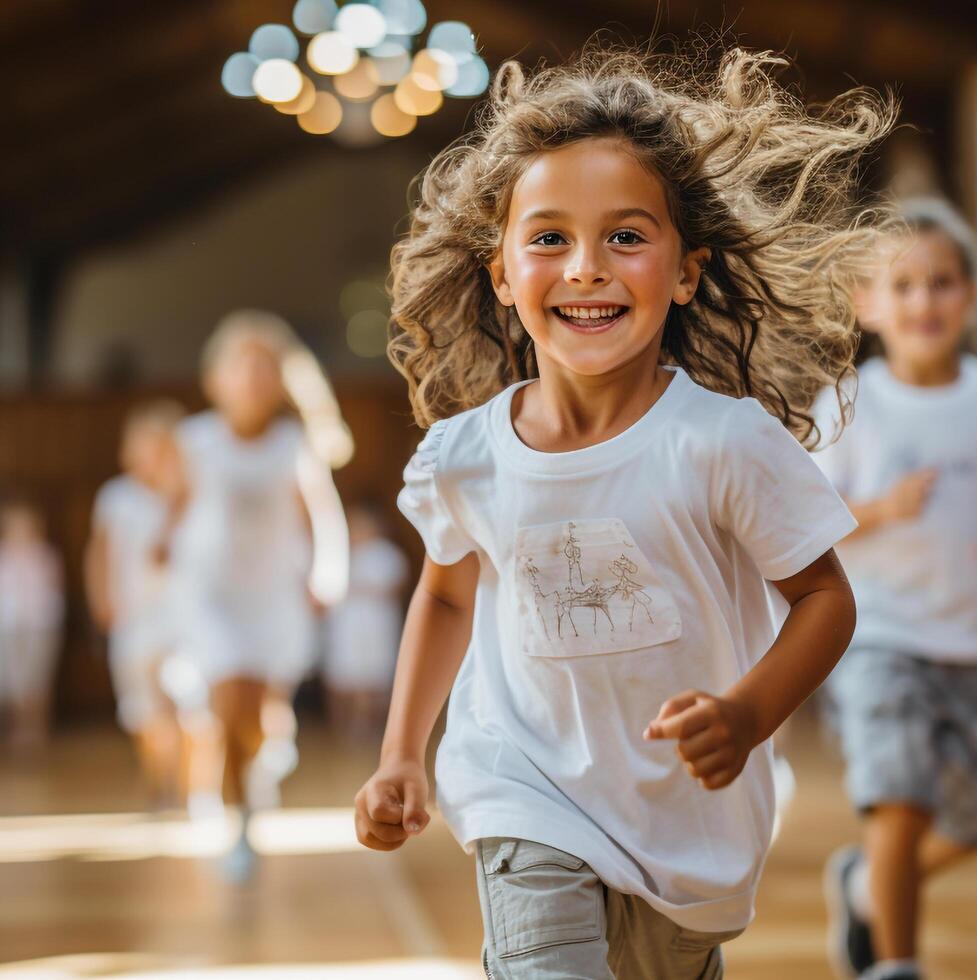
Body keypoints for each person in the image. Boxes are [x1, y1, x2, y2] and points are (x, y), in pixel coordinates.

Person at [354, 47, 884, 979]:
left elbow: (825, 599)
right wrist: (403, 752)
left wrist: (746, 712)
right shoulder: (466, 455)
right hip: (525, 787)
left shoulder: (722, 442)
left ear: (684, 271)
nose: (586, 269)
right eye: (548, 239)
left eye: (626, 238)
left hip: (684, 817)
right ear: (502, 277)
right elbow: (446, 599)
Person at [815, 198, 977, 980]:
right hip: (879, 636)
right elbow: (808, 521)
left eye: (942, 283)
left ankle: (866, 886)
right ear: (867, 304)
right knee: (898, 798)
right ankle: (898, 964)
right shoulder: (851, 403)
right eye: (905, 284)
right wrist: (879, 509)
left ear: (972, 296)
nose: (924, 300)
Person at [171, 310, 351, 881]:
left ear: (278, 382)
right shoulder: (193, 440)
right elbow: (173, 506)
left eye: (261, 368)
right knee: (227, 706)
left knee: (258, 715)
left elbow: (322, 516)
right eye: (238, 367)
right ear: (214, 379)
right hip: (212, 595)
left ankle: (256, 781)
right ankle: (237, 821)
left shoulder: (292, 444)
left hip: (274, 597)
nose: (249, 379)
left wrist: (328, 569)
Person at [87, 399, 186, 803]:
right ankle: (156, 775)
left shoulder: (185, 495)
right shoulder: (116, 497)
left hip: (179, 616)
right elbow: (99, 552)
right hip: (133, 614)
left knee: (182, 697)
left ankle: (188, 785)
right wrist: (100, 598)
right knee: (141, 706)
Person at [322, 503, 409, 742]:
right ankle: (341, 729)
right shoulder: (341, 554)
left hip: (374, 627)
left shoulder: (388, 555)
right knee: (344, 676)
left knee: (372, 678)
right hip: (346, 626)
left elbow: (394, 588)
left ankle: (370, 729)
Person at [0, 501, 65, 750]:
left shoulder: (46, 556)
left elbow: (55, 590)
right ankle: (16, 728)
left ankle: (37, 728)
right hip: (6, 627)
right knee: (12, 678)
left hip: (39, 626)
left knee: (37, 677)